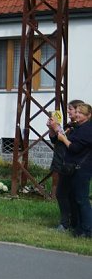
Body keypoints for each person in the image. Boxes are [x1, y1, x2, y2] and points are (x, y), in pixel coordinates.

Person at [54, 102, 92, 238]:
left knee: (82, 199)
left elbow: (75, 148)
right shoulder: (78, 127)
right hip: (74, 168)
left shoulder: (87, 129)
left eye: (80, 113)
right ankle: (79, 228)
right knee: (76, 199)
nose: (77, 115)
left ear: (88, 115)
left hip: (82, 169)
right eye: (77, 112)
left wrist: (63, 138)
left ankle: (88, 230)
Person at [47, 99, 85, 230]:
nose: (68, 112)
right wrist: (52, 129)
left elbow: (71, 144)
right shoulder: (69, 125)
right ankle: (71, 222)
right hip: (62, 162)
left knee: (65, 194)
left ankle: (67, 223)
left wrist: (59, 131)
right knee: (66, 194)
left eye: (71, 109)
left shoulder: (80, 127)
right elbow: (55, 140)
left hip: (71, 164)